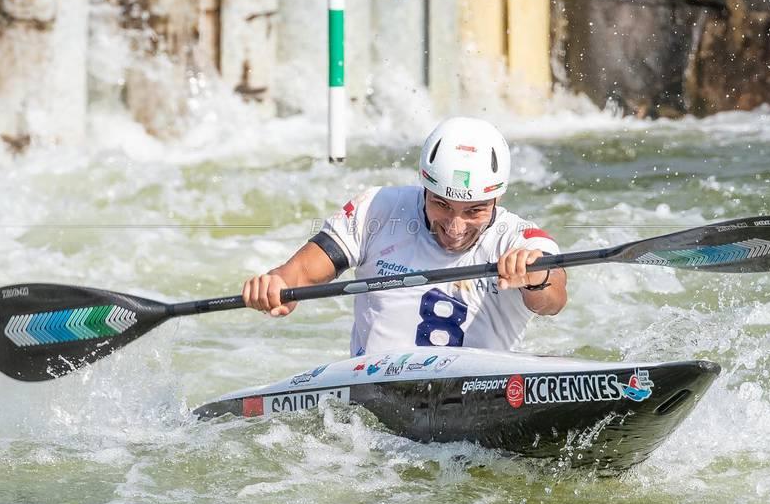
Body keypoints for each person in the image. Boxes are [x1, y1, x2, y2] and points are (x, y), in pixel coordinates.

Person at [243, 117, 567, 356]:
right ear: (424, 188)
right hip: (371, 407)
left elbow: (554, 299)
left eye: (473, 211)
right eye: (441, 204)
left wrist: (536, 277)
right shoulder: (377, 210)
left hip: (479, 402)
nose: (455, 227)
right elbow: (298, 274)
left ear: (497, 200)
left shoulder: (520, 238)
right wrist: (277, 285)